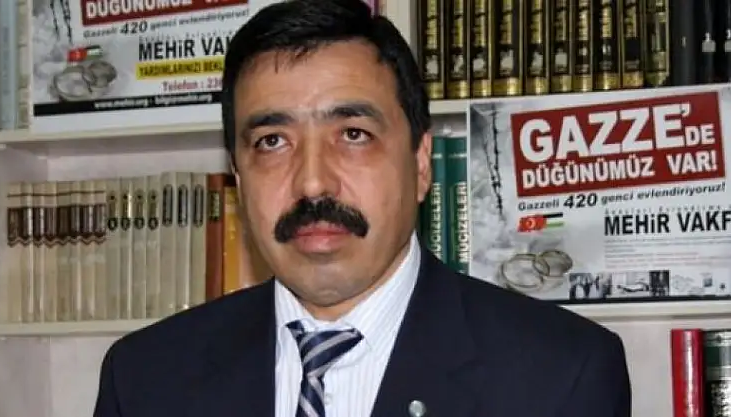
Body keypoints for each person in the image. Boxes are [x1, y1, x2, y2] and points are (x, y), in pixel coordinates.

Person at [92, 0, 632, 416]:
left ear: (421, 163)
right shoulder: (144, 378)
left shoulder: (562, 375)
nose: (312, 182)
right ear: (237, 176)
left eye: (353, 134)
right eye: (272, 142)